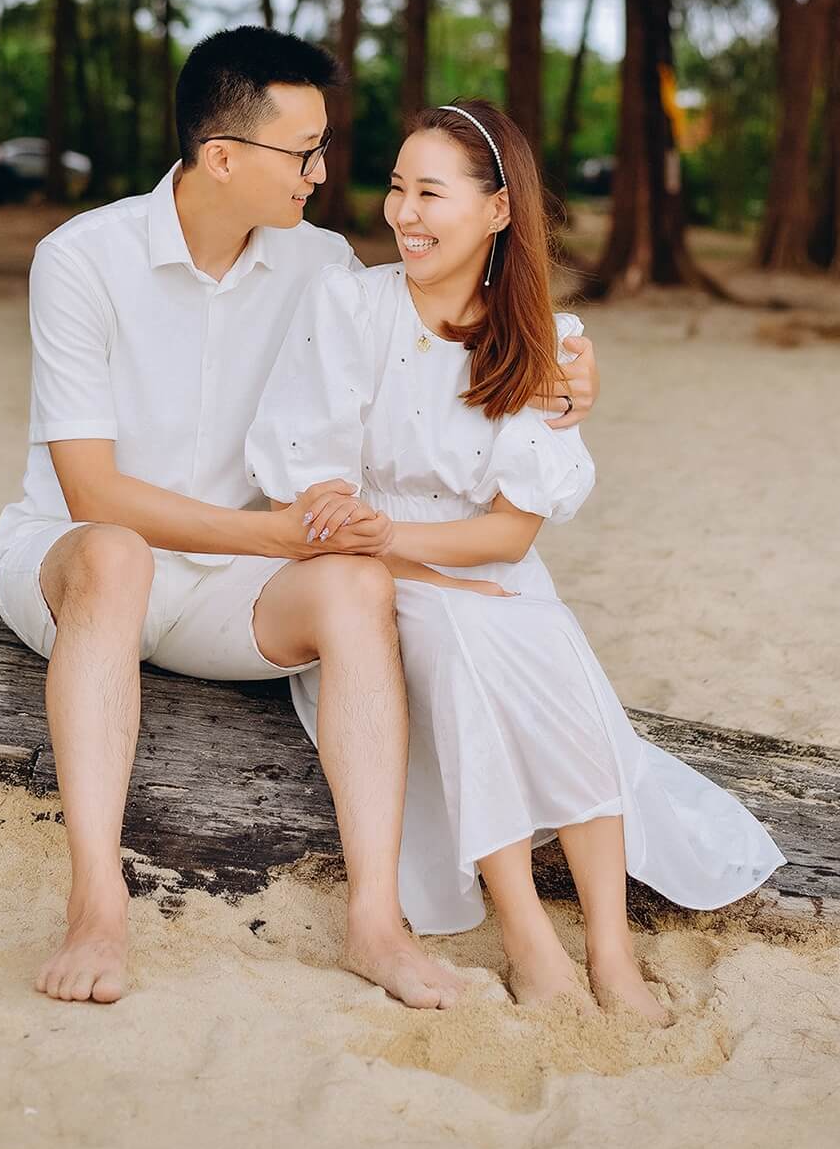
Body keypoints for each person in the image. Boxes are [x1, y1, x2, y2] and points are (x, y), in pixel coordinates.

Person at [0, 30, 599, 1007]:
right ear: (223, 155)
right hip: (74, 567)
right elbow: (90, 494)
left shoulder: (319, 265)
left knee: (355, 580)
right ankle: (96, 902)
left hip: (227, 590)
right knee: (113, 554)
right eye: (302, 151)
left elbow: (447, 328)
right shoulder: (80, 259)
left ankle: (374, 922)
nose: (322, 173)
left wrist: (567, 366)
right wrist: (279, 533)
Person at [245, 100, 786, 1024]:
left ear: (498, 210)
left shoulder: (545, 339)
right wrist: (392, 549)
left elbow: (507, 539)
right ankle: (530, 934)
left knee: (548, 647)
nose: (404, 213)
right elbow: (320, 500)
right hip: (372, 582)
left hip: (476, 566)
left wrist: (411, 545)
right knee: (468, 639)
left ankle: (611, 951)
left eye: (432, 193)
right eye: (397, 189)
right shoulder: (350, 306)